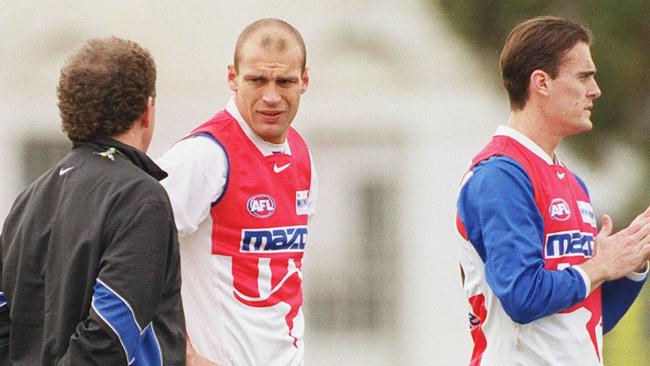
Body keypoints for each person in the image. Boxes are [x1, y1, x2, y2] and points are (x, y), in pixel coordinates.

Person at [456, 16, 650, 365]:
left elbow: (580, 320)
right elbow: (522, 296)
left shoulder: (573, 183)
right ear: (541, 83)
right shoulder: (500, 176)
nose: (595, 90)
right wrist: (599, 266)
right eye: (583, 77)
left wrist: (632, 261)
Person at [0, 37, 185, 365]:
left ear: (69, 111)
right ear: (147, 110)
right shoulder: (141, 198)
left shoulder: (26, 201)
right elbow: (109, 338)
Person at [157, 18, 316, 366]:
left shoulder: (301, 154)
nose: (271, 96)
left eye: (285, 81)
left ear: (304, 81)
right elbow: (128, 251)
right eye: (257, 80)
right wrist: (178, 351)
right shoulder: (204, 156)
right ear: (232, 77)